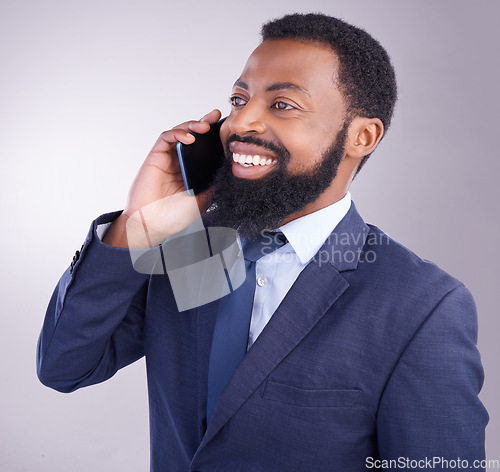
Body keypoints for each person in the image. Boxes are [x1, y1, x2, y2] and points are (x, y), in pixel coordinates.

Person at [37, 12, 488, 471]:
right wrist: (136, 226)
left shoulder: (421, 305)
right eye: (238, 98)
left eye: (283, 104)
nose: (241, 122)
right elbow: (64, 365)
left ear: (362, 136)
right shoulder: (195, 252)